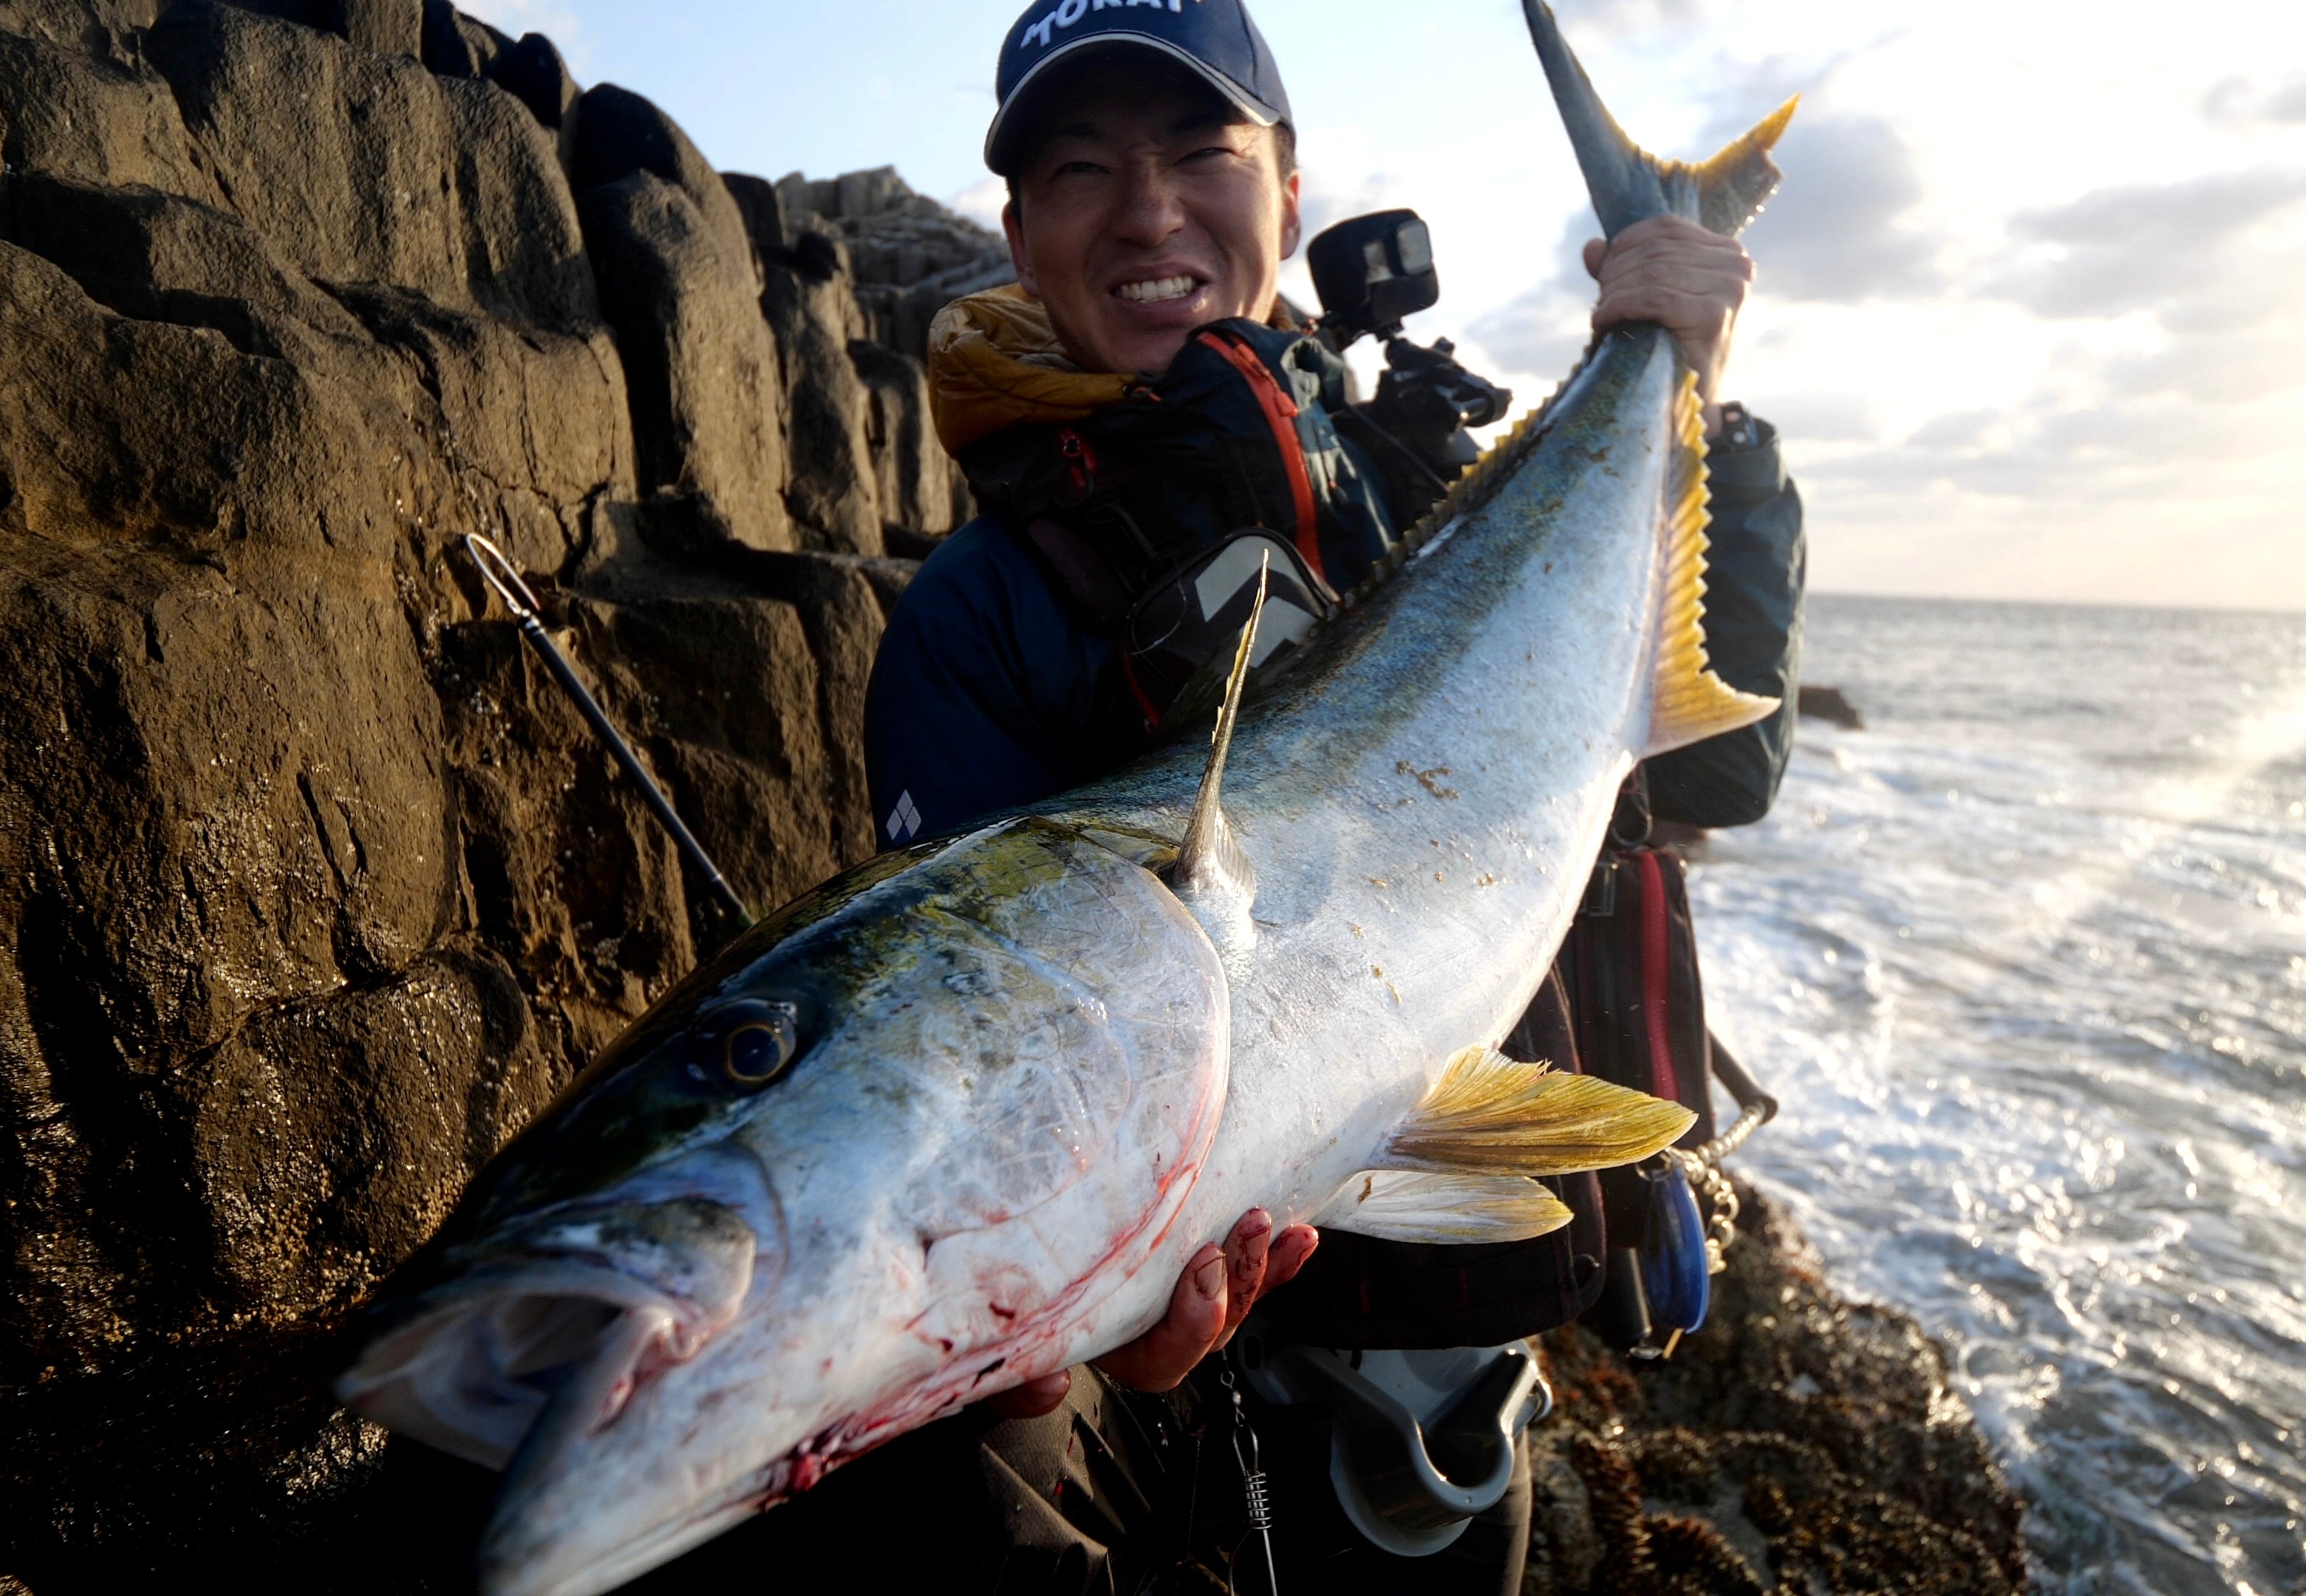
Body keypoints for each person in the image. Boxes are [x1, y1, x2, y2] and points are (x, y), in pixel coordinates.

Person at [666, 2, 1801, 1589]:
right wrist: (1096, 1315)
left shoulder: (1424, 479)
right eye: (1080, 168)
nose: (1147, 210)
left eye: (1201, 151)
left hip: (1466, 1343)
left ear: (1287, 182)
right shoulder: (979, 615)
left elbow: (1725, 766)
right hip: (1183, 1390)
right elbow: (987, 1073)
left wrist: (1706, 408)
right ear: (1019, 230)